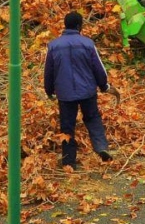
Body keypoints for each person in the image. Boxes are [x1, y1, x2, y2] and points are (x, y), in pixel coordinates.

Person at [44, 11, 120, 170]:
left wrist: (49, 91)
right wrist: (104, 86)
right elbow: (98, 68)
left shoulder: (53, 46)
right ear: (79, 25)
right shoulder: (88, 44)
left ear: (65, 25)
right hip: (87, 91)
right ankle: (101, 147)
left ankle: (69, 162)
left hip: (65, 94)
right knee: (92, 118)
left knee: (67, 127)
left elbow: (49, 72)